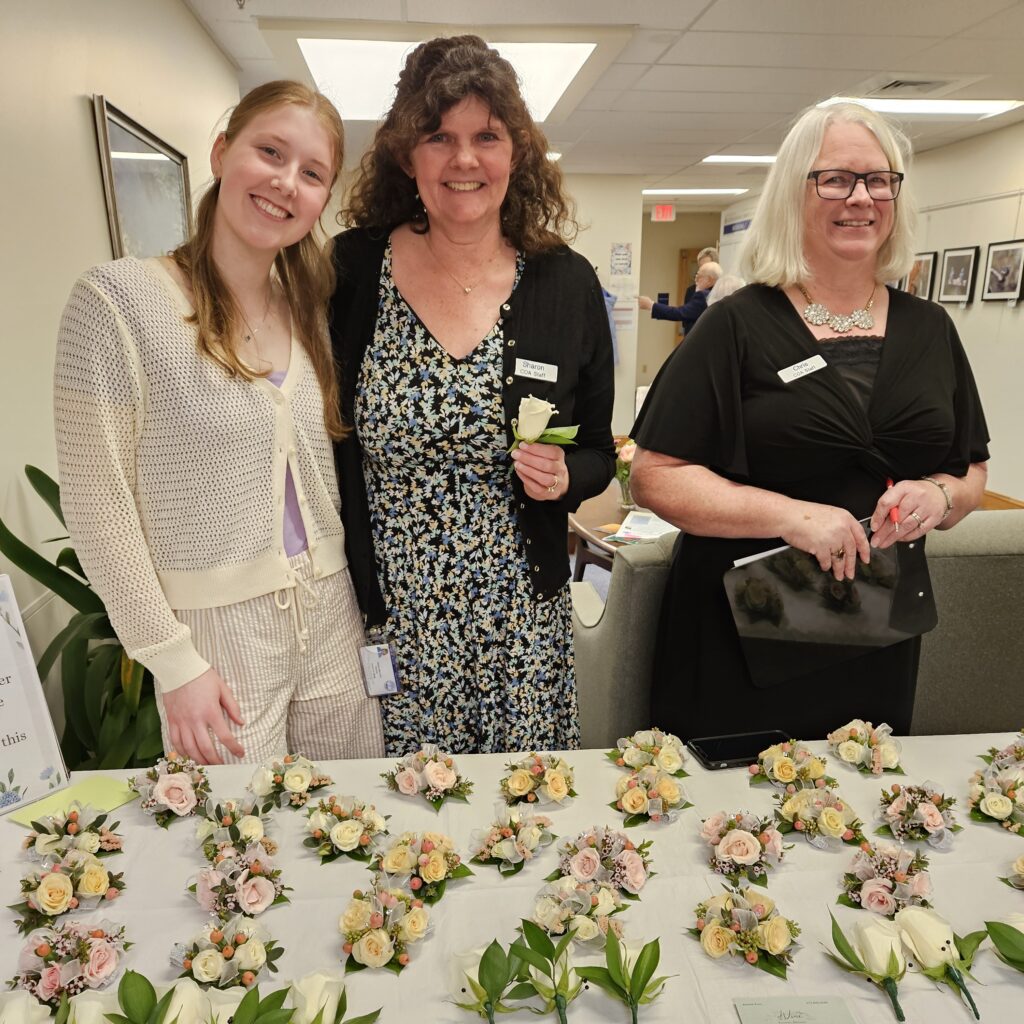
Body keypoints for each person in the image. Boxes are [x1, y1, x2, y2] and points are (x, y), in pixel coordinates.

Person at [630, 101, 990, 740]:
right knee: (739, 828)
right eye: (836, 178)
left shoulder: (929, 328)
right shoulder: (735, 325)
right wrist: (792, 516)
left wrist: (938, 494)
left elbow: (969, 470)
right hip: (743, 630)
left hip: (875, 625)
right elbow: (654, 478)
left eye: (879, 180)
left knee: (865, 817)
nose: (861, 198)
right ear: (795, 192)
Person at [54, 81, 385, 765]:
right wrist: (171, 660)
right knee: (239, 852)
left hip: (331, 618)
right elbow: (97, 502)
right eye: (270, 151)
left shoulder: (311, 311)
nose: (286, 182)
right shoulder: (120, 302)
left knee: (346, 828)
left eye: (312, 172)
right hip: (217, 633)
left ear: (323, 198)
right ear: (221, 150)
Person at [330, 34, 615, 756]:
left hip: (522, 620)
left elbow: (597, 455)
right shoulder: (354, 271)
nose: (464, 160)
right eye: (439, 137)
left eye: (486, 136)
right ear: (406, 154)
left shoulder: (566, 284)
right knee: (405, 835)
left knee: (519, 832)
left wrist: (563, 480)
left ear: (515, 152)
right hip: (395, 619)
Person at [639, 261, 722, 336]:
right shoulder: (720, 294)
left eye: (699, 276)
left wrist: (651, 305)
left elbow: (680, 313)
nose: (696, 280)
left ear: (710, 280)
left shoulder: (704, 296)